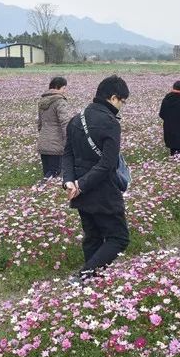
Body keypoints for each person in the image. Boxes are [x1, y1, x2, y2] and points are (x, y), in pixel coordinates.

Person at [62, 75, 130, 283]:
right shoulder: (110, 123)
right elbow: (108, 164)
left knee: (93, 236)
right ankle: (85, 276)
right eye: (122, 101)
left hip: (80, 191)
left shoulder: (77, 118)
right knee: (118, 238)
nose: (122, 106)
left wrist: (69, 181)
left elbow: (67, 154)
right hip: (102, 191)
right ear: (113, 97)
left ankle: (91, 282)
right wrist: (81, 184)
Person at [37, 76, 70, 178]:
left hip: (43, 142)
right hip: (56, 144)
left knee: (47, 174)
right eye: (64, 88)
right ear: (57, 87)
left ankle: (41, 190)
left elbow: (40, 124)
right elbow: (65, 123)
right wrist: (69, 140)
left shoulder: (42, 101)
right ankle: (40, 190)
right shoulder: (60, 101)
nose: (65, 91)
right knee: (55, 175)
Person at [158, 80, 180, 155]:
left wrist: (168, 119)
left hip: (168, 127)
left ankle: (172, 159)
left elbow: (161, 114)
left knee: (172, 147)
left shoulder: (166, 99)